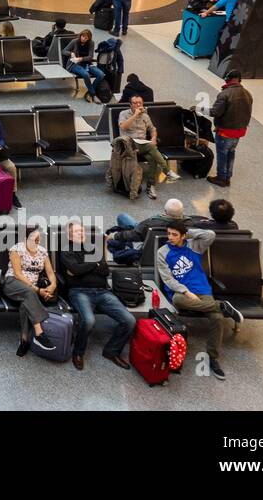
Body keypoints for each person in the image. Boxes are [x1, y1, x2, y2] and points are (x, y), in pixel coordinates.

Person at [156, 223, 244, 380]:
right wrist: (186, 291)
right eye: (168, 233)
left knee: (217, 319)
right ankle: (221, 306)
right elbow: (167, 278)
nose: (170, 237)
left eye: (174, 234)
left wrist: (187, 233)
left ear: (183, 235)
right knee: (178, 300)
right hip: (181, 292)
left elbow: (210, 235)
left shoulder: (194, 245)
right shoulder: (163, 252)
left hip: (202, 290)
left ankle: (213, 358)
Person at [57, 222, 135, 371]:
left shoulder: (93, 248)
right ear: (69, 236)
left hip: (102, 291)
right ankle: (78, 353)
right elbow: (75, 269)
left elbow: (105, 271)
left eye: (82, 231)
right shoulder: (66, 250)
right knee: (89, 321)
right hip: (79, 291)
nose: (81, 234)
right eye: (76, 232)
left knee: (129, 320)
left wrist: (84, 268)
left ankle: (112, 351)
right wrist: (94, 264)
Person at [3, 226, 59, 356]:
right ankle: (39, 333)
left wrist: (53, 285)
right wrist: (38, 290)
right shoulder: (16, 249)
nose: (37, 241)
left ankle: (24, 340)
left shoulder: (42, 252)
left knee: (25, 304)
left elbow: (50, 272)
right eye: (34, 239)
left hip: (32, 289)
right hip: (12, 283)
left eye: (39, 239)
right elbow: (17, 274)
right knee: (29, 293)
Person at [119, 95, 178, 197]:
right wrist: (135, 116)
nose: (138, 105)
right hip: (129, 145)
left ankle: (150, 185)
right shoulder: (124, 114)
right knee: (151, 147)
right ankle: (167, 171)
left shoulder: (145, 116)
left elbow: (152, 129)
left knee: (152, 158)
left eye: (140, 103)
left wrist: (154, 138)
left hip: (143, 145)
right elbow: (123, 127)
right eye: (135, 103)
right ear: (130, 105)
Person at [209, 69, 252, 188]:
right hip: (239, 132)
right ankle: (228, 176)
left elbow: (215, 112)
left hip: (225, 132)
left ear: (229, 78)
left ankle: (221, 178)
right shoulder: (248, 94)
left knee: (222, 154)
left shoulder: (225, 94)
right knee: (231, 153)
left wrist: (200, 109)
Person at [65, 29, 106, 102]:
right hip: (74, 64)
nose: (83, 38)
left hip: (87, 63)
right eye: (82, 36)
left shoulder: (91, 43)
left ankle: (89, 92)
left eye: (86, 38)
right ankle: (93, 95)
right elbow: (64, 51)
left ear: (89, 38)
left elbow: (90, 56)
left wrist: (81, 59)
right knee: (86, 74)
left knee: (101, 74)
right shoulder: (75, 41)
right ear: (80, 35)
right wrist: (70, 53)